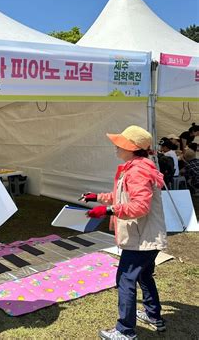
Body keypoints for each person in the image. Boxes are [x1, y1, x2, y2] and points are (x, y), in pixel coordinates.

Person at [80, 125, 167, 340]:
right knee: (144, 276)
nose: (116, 147)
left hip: (141, 238)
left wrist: (108, 210)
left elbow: (140, 207)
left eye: (120, 144)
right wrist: (96, 197)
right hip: (146, 237)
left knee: (126, 280)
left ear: (132, 147)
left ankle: (125, 331)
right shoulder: (137, 166)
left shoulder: (137, 170)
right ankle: (153, 315)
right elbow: (121, 195)